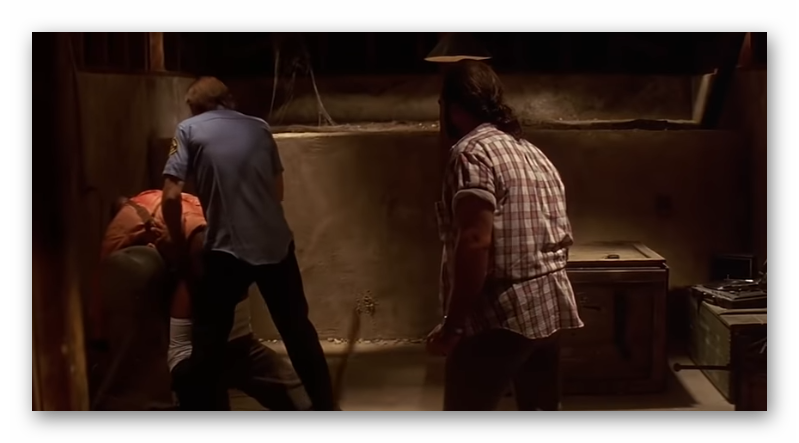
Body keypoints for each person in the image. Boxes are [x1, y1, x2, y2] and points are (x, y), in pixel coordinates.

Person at [162, 77, 336, 411]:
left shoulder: (187, 130)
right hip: (275, 243)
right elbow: (277, 192)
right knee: (298, 332)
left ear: (193, 107)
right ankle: (326, 405)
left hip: (226, 247)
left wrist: (179, 242)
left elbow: (170, 197)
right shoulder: (259, 128)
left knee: (210, 340)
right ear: (228, 100)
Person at [426, 60, 584, 412]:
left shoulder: (471, 153)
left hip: (500, 315)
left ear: (454, 108)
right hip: (548, 306)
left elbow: (475, 242)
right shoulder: (531, 152)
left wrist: (454, 326)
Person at [88, 190, 310, 411]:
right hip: (201, 313)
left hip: (214, 317)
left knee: (229, 353)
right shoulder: (178, 235)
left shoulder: (194, 234)